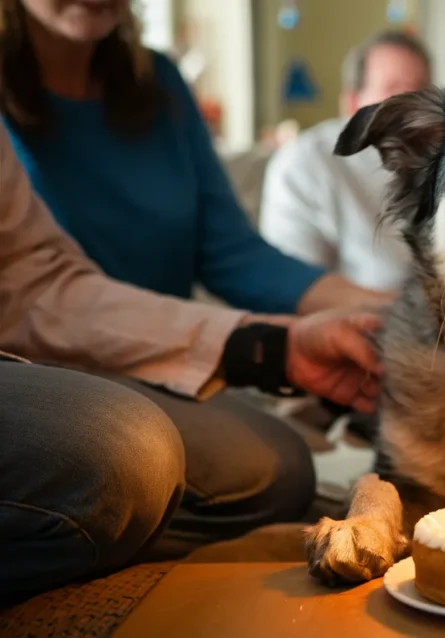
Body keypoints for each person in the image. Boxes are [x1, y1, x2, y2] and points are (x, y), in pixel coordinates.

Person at [0, 116, 385, 603]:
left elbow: (34, 285)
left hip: (91, 362)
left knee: (276, 468)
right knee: (129, 453)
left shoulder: (157, 87)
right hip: (82, 383)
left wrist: (274, 347)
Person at [0, 0, 387, 315]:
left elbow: (232, 254)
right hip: (57, 387)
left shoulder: (159, 83)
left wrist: (395, 312)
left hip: (173, 370)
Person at [259, 29, 431, 292]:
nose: (413, 106)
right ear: (353, 104)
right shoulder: (303, 164)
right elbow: (292, 289)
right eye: (392, 90)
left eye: (422, 89)